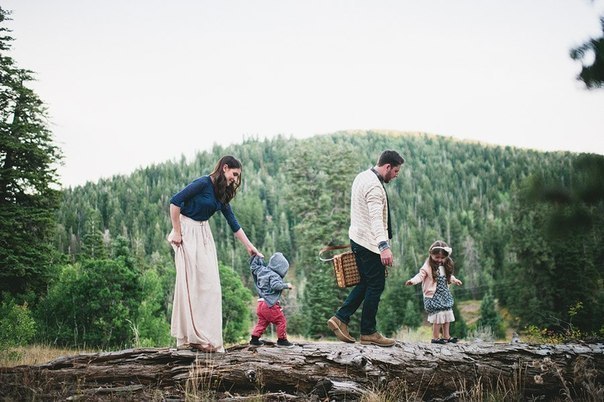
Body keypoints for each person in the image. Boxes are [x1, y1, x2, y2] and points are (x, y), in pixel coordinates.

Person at [168, 155, 262, 353]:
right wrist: (177, 231)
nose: (235, 180)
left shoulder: (221, 192)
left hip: (203, 233)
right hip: (187, 232)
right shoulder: (202, 183)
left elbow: (233, 222)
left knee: (211, 287)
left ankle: (208, 337)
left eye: (237, 177)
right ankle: (194, 339)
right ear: (225, 168)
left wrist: (249, 246)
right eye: (234, 174)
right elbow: (175, 202)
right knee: (191, 286)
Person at [327, 150, 405, 347]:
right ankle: (369, 332)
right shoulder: (375, 187)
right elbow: (376, 218)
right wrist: (383, 246)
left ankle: (340, 318)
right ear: (387, 166)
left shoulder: (362, 176)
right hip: (370, 244)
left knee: (365, 282)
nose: (396, 175)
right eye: (395, 171)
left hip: (357, 239)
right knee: (376, 284)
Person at [405, 240, 463, 344]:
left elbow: (448, 276)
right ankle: (435, 337)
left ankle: (446, 336)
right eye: (437, 257)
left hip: (444, 294)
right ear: (431, 255)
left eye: (442, 258)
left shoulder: (444, 265)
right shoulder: (427, 266)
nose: (440, 260)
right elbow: (420, 275)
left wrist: (455, 280)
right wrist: (413, 281)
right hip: (433, 296)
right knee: (438, 316)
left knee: (447, 314)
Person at [249, 252, 294, 347]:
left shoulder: (262, 270)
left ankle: (254, 339)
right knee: (281, 321)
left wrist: (257, 257)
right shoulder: (275, 276)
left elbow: (253, 267)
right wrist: (286, 285)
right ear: (281, 268)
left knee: (262, 322)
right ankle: (282, 340)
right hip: (269, 304)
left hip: (260, 303)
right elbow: (275, 285)